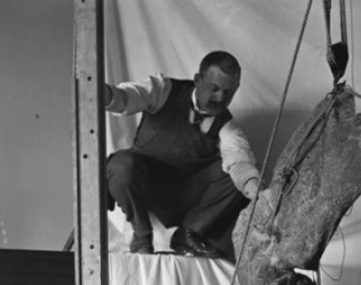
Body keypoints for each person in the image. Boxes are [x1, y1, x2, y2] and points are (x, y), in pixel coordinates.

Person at [105, 50, 260, 260]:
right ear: (198, 79)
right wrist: (106, 95)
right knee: (120, 165)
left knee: (233, 176)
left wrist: (258, 192)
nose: (220, 98)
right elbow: (127, 97)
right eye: (214, 88)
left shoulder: (227, 125)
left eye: (228, 92)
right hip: (144, 187)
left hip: (185, 199)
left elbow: (238, 157)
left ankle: (188, 234)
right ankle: (142, 236)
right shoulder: (161, 90)